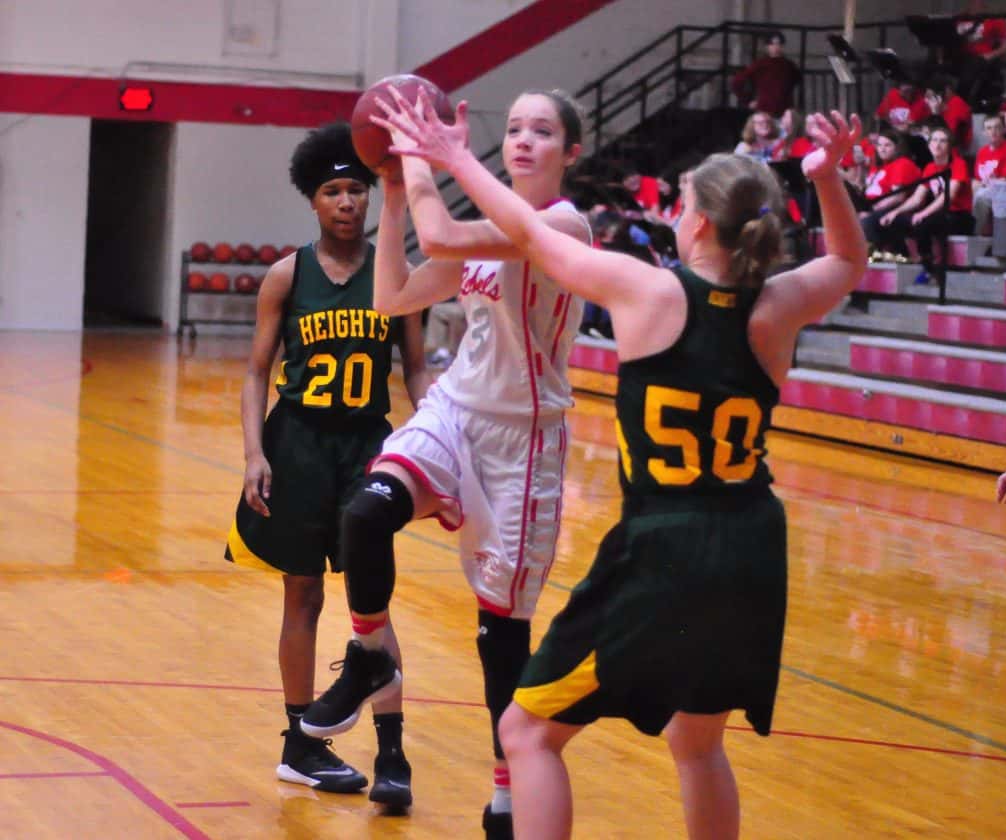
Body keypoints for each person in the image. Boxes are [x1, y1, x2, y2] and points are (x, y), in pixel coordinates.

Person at [373, 94, 866, 839]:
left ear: (698, 224)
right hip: (754, 546)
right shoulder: (779, 304)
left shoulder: (651, 291)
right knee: (697, 743)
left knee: (527, 732)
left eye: (683, 203)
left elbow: (528, 234)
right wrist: (827, 179)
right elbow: (850, 261)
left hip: (667, 545)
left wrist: (452, 157)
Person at [298, 88, 591, 840]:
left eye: (542, 130)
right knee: (367, 512)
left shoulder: (561, 225)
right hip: (457, 412)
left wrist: (426, 158)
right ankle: (369, 655)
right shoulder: (482, 234)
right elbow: (393, 296)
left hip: (524, 441)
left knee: (501, 637)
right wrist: (395, 192)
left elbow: (444, 232)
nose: (523, 139)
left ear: (571, 152)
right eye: (514, 126)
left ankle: (505, 797)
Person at [224, 121, 429, 807]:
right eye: (333, 191)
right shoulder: (288, 275)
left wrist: (439, 440)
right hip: (299, 445)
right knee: (303, 593)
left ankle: (392, 753)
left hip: (368, 445)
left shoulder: (394, 274)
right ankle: (300, 745)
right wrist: (254, 452)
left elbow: (417, 368)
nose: (347, 202)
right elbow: (256, 371)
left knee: (372, 600)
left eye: (357, 190)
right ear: (312, 201)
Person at [878, 126, 973, 281]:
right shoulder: (930, 168)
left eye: (943, 141)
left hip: (959, 215)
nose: (937, 144)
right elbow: (917, 198)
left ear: (949, 146)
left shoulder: (958, 164)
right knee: (895, 221)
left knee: (924, 223)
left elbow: (948, 197)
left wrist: (923, 213)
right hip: (940, 214)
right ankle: (905, 258)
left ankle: (930, 268)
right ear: (929, 145)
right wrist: (895, 212)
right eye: (934, 140)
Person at [860, 129, 923, 257]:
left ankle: (875, 255)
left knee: (868, 220)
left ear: (897, 148)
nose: (882, 149)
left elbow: (898, 197)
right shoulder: (878, 166)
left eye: (887, 145)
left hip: (895, 210)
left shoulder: (902, 164)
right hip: (872, 206)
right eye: (879, 145)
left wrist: (871, 210)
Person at [730, 30, 802, 117]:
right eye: (772, 44)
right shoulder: (760, 64)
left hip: (784, 112)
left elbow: (796, 81)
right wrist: (748, 100)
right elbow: (737, 82)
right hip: (765, 111)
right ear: (767, 47)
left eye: (779, 44)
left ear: (783, 46)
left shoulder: (789, 65)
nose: (776, 47)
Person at [972, 114, 1006, 236]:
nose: (993, 131)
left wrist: (987, 185)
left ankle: (975, 234)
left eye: (997, 127)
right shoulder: (982, 152)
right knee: (972, 188)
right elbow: (978, 179)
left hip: (1004, 191)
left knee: (980, 197)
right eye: (989, 128)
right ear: (983, 132)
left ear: (1004, 130)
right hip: (985, 189)